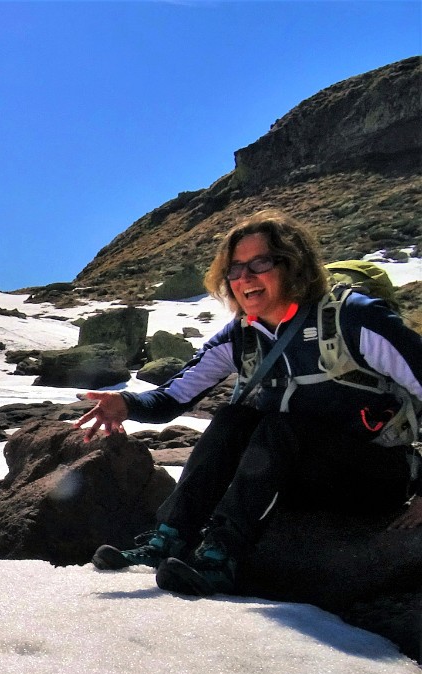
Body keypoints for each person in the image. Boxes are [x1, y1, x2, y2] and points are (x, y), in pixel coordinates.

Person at [76, 210, 422, 597]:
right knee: (232, 419)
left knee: (278, 428)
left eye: (260, 263)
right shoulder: (242, 334)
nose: (245, 278)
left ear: (294, 265)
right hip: (296, 474)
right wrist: (125, 403)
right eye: (236, 268)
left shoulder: (353, 319)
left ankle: (224, 557)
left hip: (374, 475)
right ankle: (168, 540)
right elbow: (175, 395)